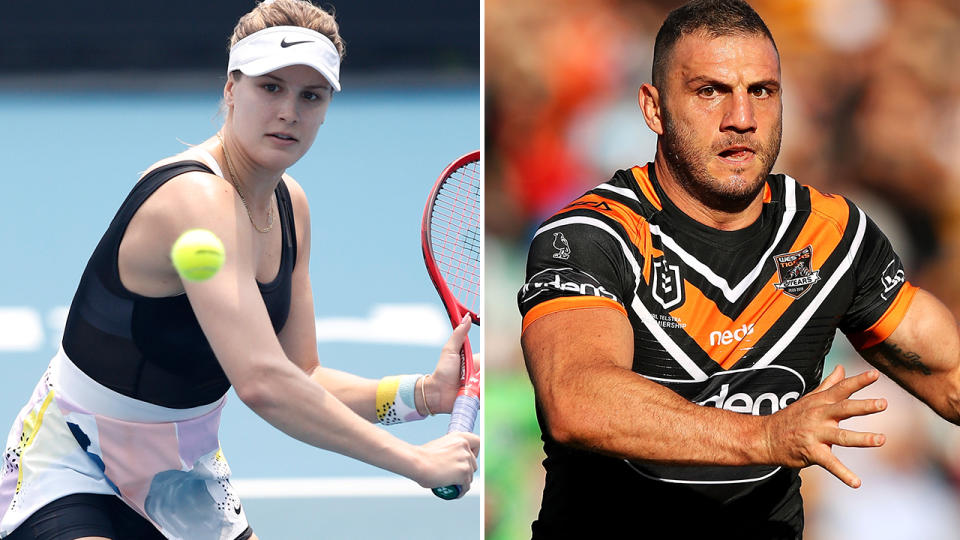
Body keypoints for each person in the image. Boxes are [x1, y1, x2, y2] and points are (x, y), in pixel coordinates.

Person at [0, 1, 480, 539]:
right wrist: (416, 463)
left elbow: (303, 377)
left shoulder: (289, 207)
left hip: (183, 481)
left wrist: (420, 397)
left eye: (310, 96)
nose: (289, 112)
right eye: (270, 87)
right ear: (232, 88)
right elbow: (262, 383)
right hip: (72, 465)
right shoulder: (194, 198)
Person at [517, 0, 960, 538]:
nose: (742, 119)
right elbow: (575, 398)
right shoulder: (593, 234)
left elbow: (949, 378)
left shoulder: (833, 235)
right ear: (654, 109)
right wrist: (767, 438)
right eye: (710, 92)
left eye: (762, 92)